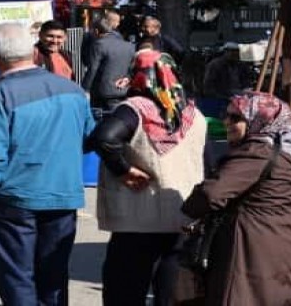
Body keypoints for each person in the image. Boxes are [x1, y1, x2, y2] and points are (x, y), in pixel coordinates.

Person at [0, 22, 95, 306]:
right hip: (62, 195)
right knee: (53, 277)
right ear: (33, 52)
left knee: (17, 278)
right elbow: (89, 138)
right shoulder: (72, 91)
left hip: (14, 199)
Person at [88, 49, 206, 306]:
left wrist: (124, 170)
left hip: (137, 219)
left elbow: (103, 138)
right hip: (182, 214)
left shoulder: (135, 109)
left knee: (125, 290)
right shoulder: (194, 115)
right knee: (170, 291)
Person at [181, 92, 291, 306]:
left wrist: (189, 207)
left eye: (236, 118)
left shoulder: (258, 151)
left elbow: (212, 194)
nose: (226, 122)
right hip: (287, 249)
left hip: (253, 251)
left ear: (258, 120)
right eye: (225, 115)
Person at [81, 13, 135, 119]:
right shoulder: (129, 46)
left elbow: (92, 69)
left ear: (96, 31)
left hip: (102, 92)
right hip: (124, 90)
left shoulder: (99, 44)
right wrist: (127, 79)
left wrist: (84, 89)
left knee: (100, 122)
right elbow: (133, 67)